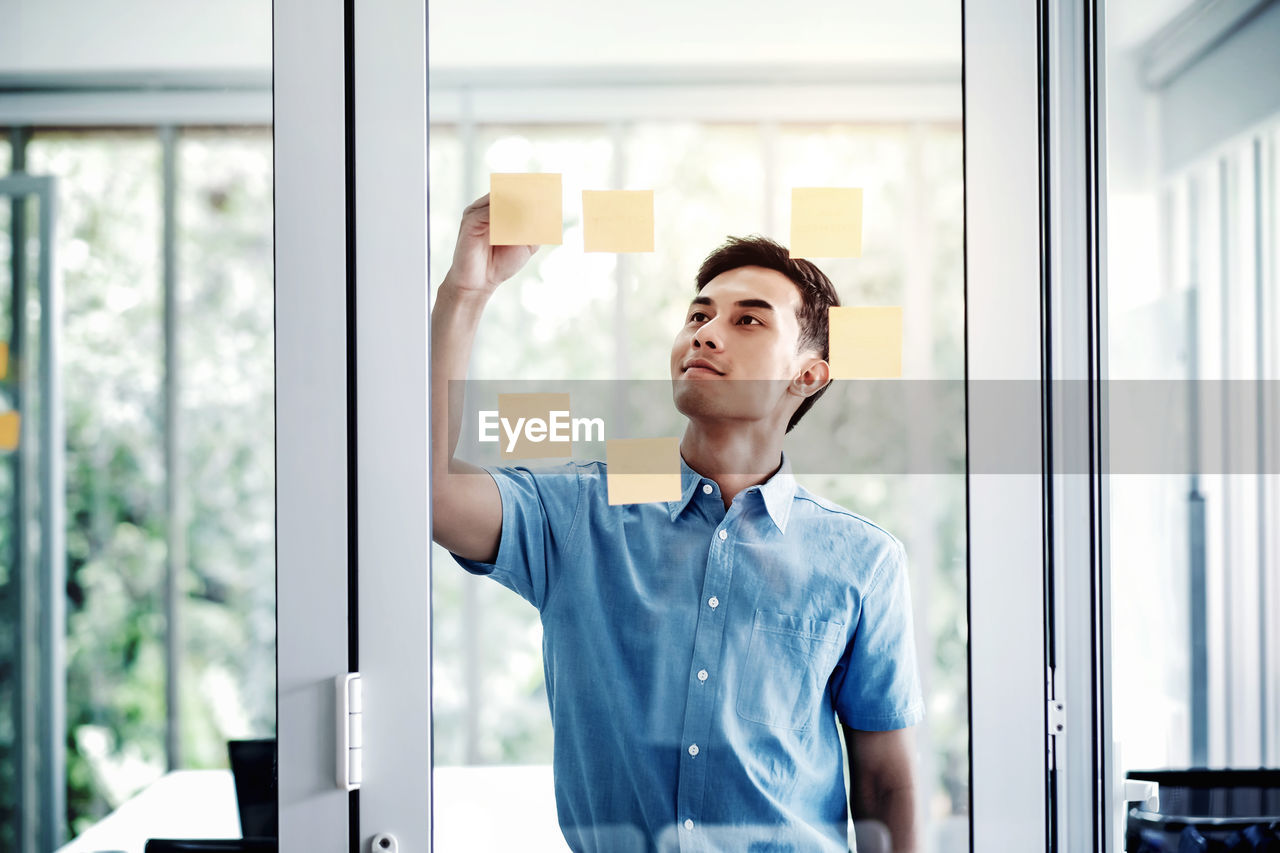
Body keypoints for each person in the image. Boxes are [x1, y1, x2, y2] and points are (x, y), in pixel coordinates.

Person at [431, 193, 924, 853]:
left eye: (749, 320)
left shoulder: (863, 558)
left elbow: (887, 782)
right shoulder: (584, 508)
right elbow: (425, 491)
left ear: (807, 375)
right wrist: (466, 291)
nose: (707, 332)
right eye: (699, 314)